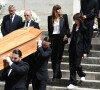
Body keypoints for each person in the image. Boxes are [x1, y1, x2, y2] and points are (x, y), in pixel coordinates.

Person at [48, 5, 70, 81]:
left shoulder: (64, 17)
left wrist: (66, 35)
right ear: (54, 10)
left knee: (58, 57)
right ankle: (58, 73)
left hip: (61, 39)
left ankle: (54, 76)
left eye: (60, 9)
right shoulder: (50, 18)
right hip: (53, 39)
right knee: (53, 58)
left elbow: (67, 28)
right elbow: (49, 31)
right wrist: (49, 40)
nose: (59, 11)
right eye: (58, 9)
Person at [67, 13, 88, 89]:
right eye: (74, 19)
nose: (75, 21)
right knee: (71, 66)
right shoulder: (74, 26)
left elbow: (86, 41)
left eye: (76, 19)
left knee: (77, 65)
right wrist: (67, 36)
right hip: (72, 48)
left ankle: (82, 74)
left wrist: (85, 52)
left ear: (79, 19)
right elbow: (72, 35)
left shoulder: (84, 28)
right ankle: (73, 82)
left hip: (79, 50)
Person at [22, 10, 40, 90]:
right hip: (24, 52)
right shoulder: (22, 24)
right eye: (25, 15)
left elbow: (38, 36)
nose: (26, 17)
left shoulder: (35, 24)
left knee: (32, 72)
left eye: (27, 15)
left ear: (31, 15)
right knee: (25, 74)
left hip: (32, 52)